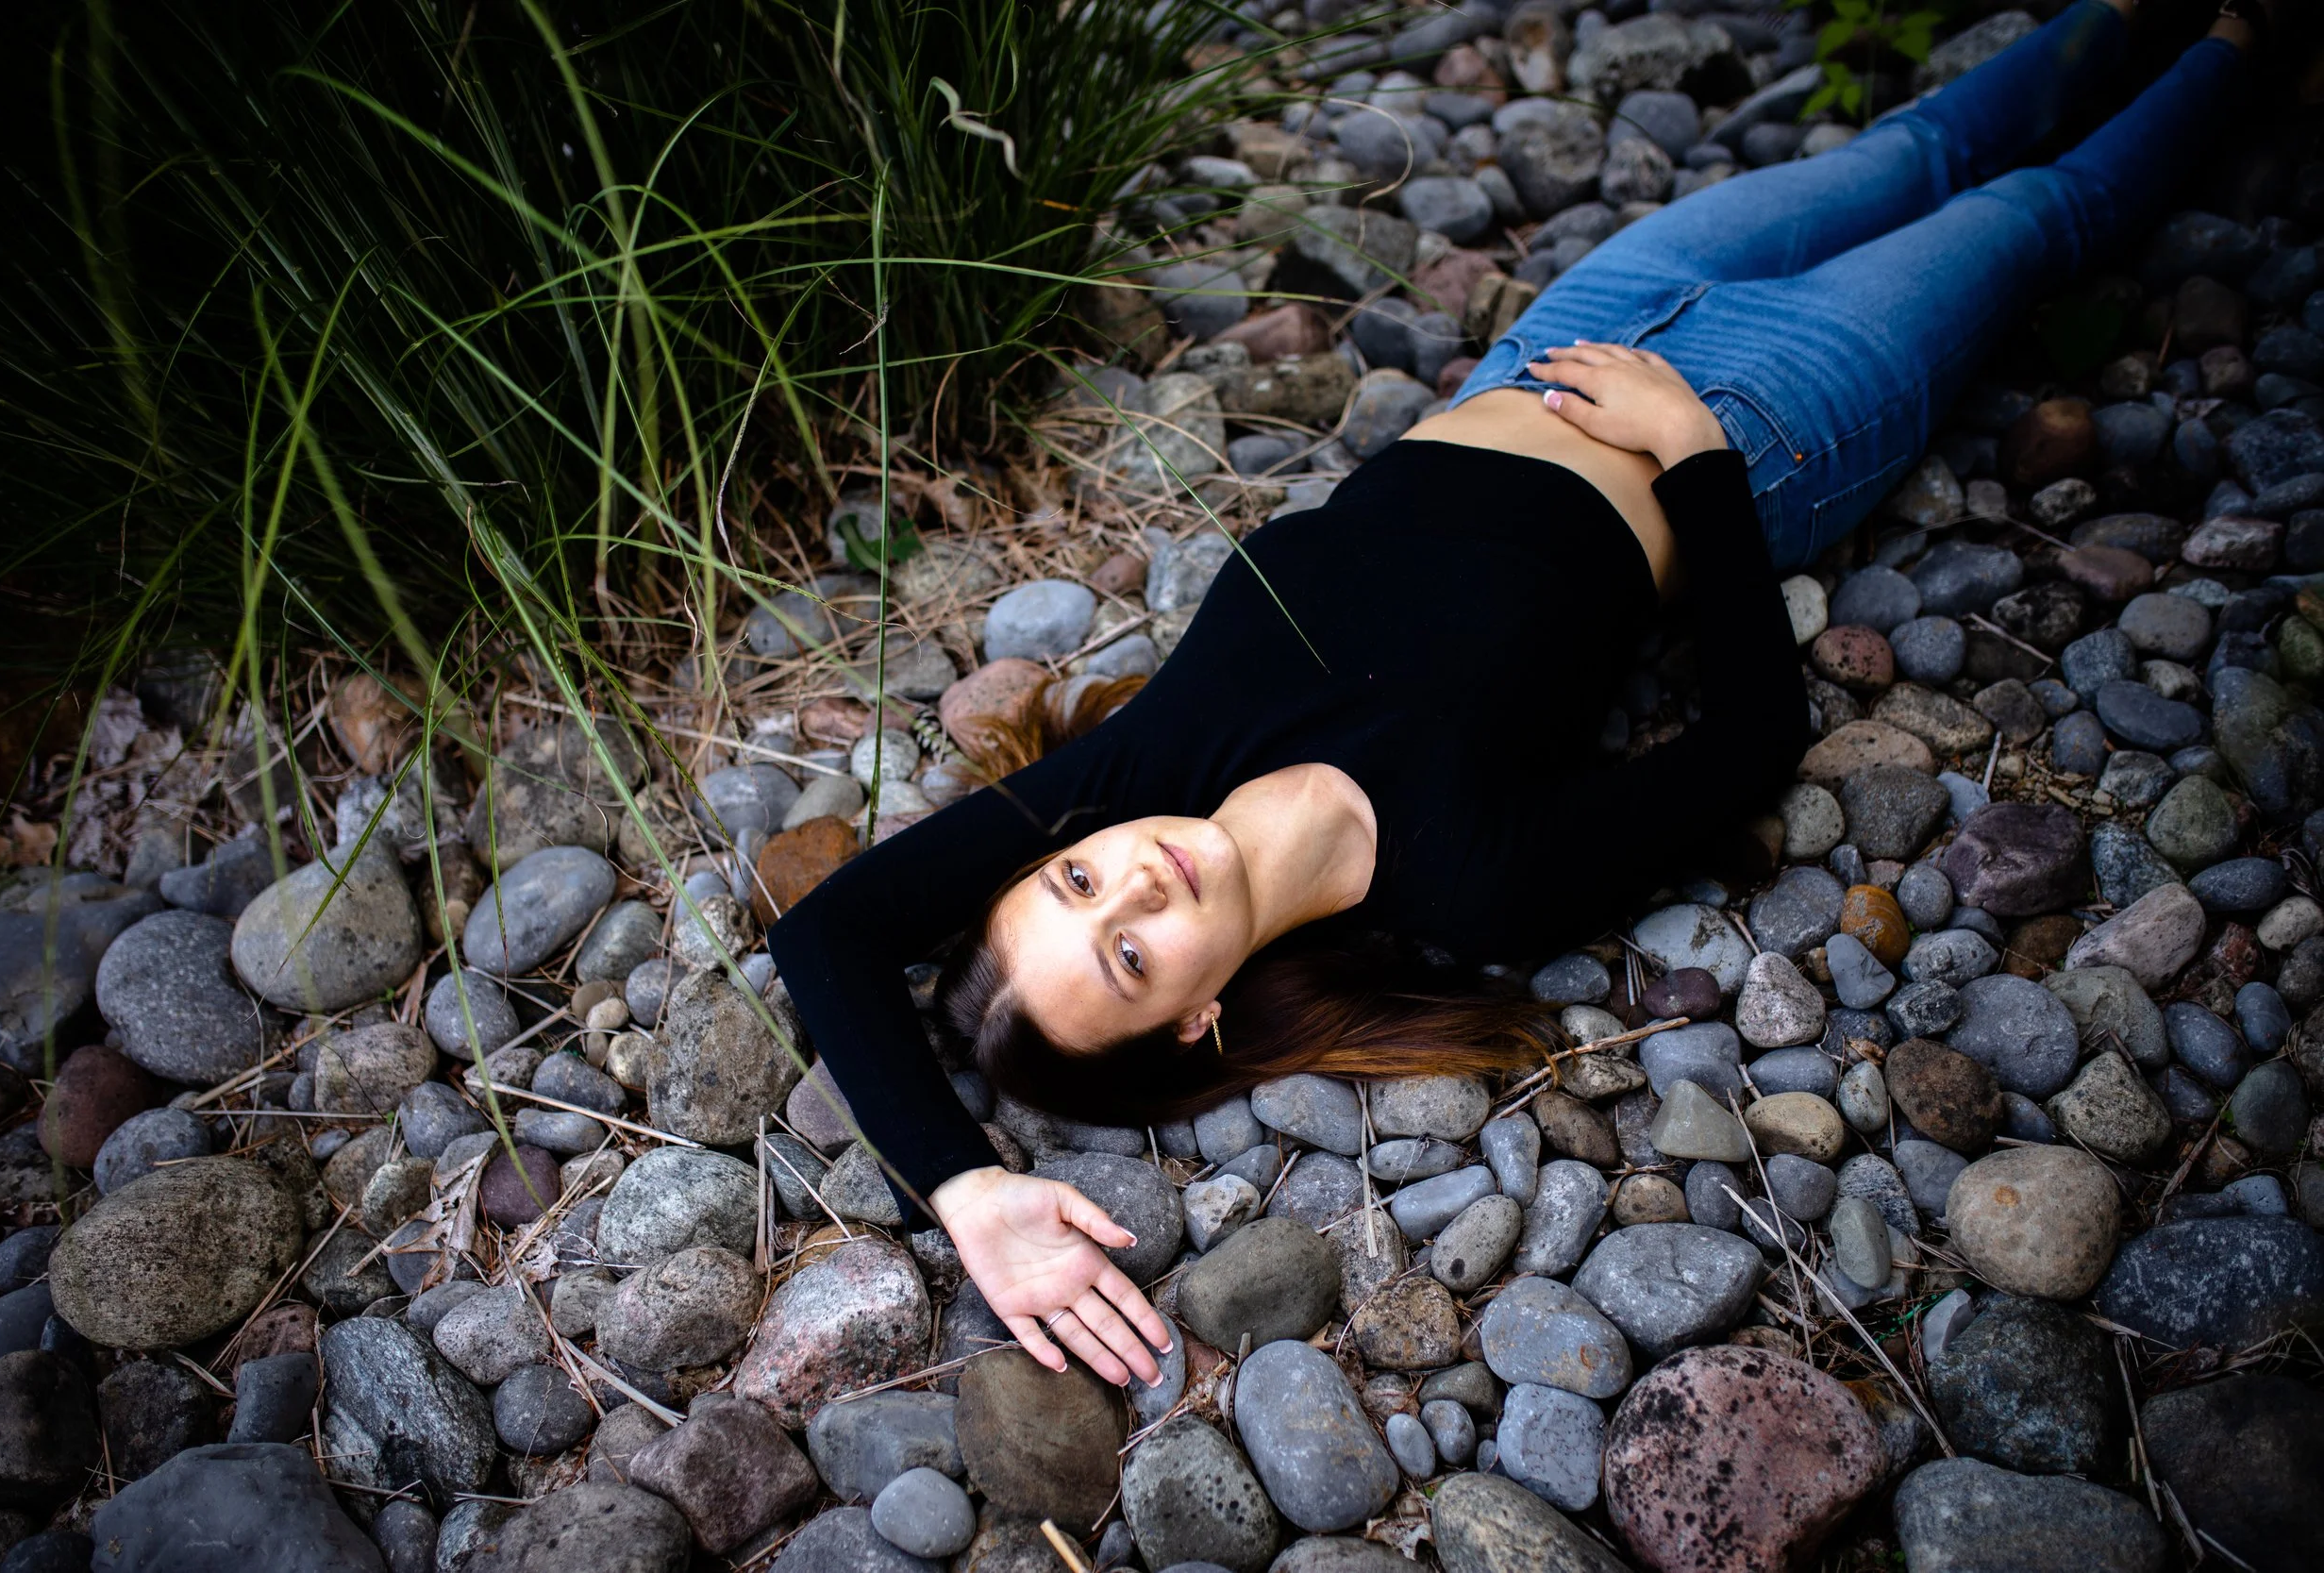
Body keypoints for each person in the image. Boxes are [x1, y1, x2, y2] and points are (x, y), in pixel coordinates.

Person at [769, 0, 2267, 1392]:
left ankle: (2128, 20)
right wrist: (1692, 451)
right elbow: (1754, 736)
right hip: (1772, 416)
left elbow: (832, 934)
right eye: (1132, 953)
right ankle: (2248, 48)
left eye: (1077, 877)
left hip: (1562, 337)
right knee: (2029, 211)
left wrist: (957, 1179)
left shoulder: (1155, 758)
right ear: (1196, 1017)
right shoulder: (1470, 882)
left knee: (1911, 147)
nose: (1130, 885)